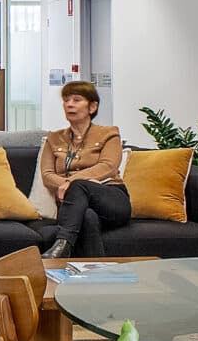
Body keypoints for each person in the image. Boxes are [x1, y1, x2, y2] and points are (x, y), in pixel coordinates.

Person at [39, 79, 131, 259]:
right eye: (66, 100)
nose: (69, 104)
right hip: (73, 203)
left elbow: (109, 166)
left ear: (92, 106)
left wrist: (72, 182)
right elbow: (47, 175)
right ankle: (96, 274)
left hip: (110, 197)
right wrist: (71, 185)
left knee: (79, 186)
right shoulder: (54, 138)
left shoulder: (109, 133)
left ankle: (62, 245)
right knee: (87, 217)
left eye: (76, 99)